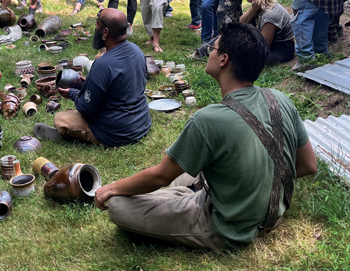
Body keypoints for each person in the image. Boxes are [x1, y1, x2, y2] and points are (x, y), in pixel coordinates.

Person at [94, 22, 317, 251]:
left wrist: (111, 188)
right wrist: (254, 183)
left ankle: (185, 197)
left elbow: (161, 176)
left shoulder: (209, 119)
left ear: (224, 60)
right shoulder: (280, 98)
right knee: (189, 168)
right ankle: (188, 192)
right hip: (273, 214)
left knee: (119, 205)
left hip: (227, 227)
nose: (210, 52)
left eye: (214, 48)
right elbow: (309, 165)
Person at [33, 8, 151, 147]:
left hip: (116, 132)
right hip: (141, 122)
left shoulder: (102, 64)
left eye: (97, 24)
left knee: (61, 118)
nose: (95, 28)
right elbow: (121, 88)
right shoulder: (136, 50)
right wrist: (89, 84)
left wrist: (72, 93)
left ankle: (70, 134)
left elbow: (87, 108)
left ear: (105, 32)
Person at [239, 0, 295, 65]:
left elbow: (264, 44)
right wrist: (253, 9)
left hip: (281, 49)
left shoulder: (270, 15)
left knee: (243, 55)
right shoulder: (259, 6)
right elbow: (242, 23)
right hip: (270, 44)